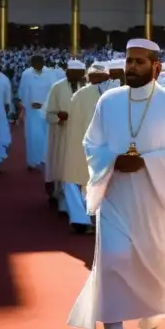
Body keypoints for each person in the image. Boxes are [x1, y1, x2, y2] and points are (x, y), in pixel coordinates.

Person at [67, 39, 165, 329]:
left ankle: (149, 324)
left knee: (155, 267)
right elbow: (91, 143)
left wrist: (148, 163)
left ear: (156, 66)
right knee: (112, 260)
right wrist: (112, 161)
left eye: (140, 62)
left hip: (155, 202)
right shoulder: (109, 101)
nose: (132, 68)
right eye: (129, 62)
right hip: (115, 199)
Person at [62, 63, 112, 234]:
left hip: (78, 145)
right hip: (97, 147)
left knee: (75, 182)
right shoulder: (109, 95)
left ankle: (80, 219)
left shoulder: (79, 94)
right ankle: (85, 220)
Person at [45, 60, 88, 214]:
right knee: (64, 169)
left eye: (80, 74)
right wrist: (59, 117)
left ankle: (82, 202)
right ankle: (63, 202)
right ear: (68, 73)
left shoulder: (88, 88)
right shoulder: (57, 87)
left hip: (83, 137)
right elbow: (48, 114)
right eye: (74, 73)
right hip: (63, 136)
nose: (78, 76)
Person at [18, 54, 58, 173]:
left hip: (47, 108)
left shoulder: (51, 73)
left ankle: (46, 160)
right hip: (32, 111)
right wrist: (27, 104)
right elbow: (23, 92)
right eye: (34, 64)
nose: (36, 66)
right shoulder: (26, 74)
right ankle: (32, 162)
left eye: (38, 63)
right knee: (33, 136)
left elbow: (55, 91)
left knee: (47, 136)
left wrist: (44, 104)